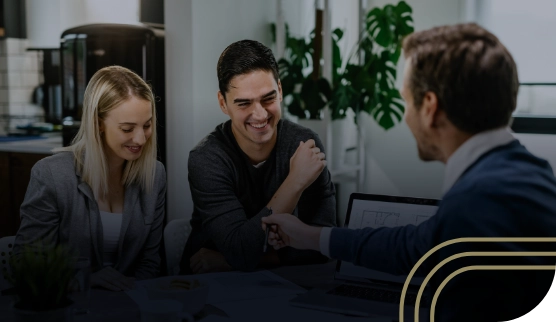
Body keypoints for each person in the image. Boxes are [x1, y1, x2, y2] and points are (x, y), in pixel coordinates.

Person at [262, 23, 556, 321]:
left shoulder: (476, 203)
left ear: (429, 106)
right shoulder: (527, 175)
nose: (405, 114)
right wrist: (311, 236)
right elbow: (414, 246)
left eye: (405, 99)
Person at [180, 39, 337, 274]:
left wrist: (243, 259)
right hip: (211, 287)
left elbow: (323, 245)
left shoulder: (305, 145)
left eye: (268, 98)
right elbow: (240, 250)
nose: (260, 114)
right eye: (244, 103)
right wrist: (295, 182)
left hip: (284, 285)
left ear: (280, 91)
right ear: (223, 103)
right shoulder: (207, 159)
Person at [13, 65, 167, 291]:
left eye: (147, 125)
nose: (141, 139)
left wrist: (130, 295)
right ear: (97, 124)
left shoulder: (155, 175)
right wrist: (85, 281)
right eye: (127, 129)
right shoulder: (51, 175)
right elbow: (26, 263)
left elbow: (151, 261)